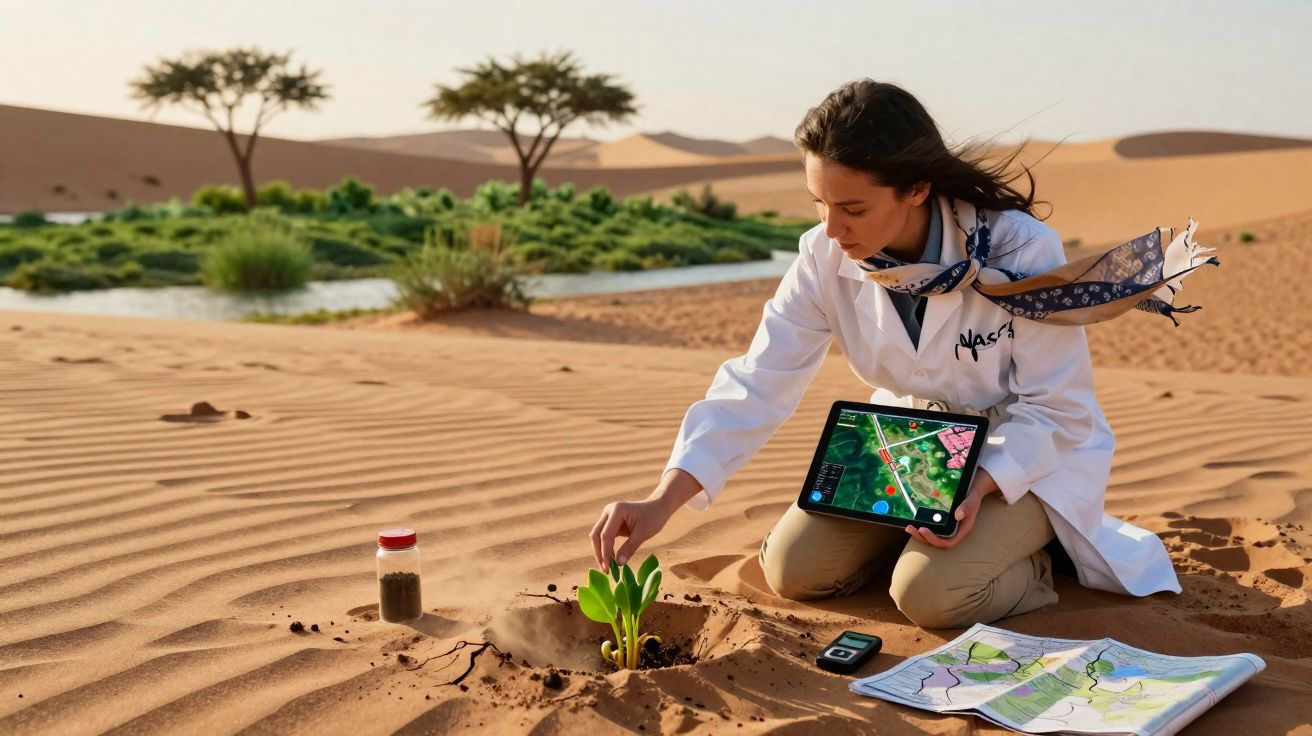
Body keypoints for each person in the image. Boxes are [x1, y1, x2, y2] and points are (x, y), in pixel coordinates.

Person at [588, 80, 1217, 629]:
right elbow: (759, 381)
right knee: (793, 570)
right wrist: (662, 499)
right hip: (908, 444)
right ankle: (927, 547)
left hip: (1020, 452)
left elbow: (1059, 409)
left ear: (916, 188)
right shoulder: (822, 255)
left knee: (932, 596)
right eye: (819, 203)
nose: (831, 229)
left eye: (852, 208)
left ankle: (1034, 564)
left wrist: (978, 487)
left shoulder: (1018, 250)